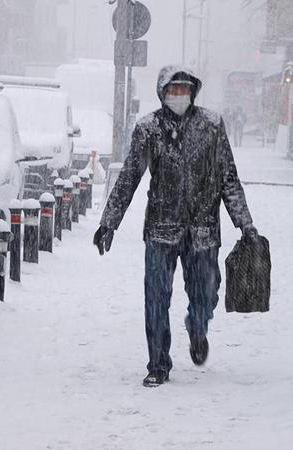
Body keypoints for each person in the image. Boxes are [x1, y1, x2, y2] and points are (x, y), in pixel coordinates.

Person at [93, 66, 257, 387]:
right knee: (156, 299)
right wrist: (108, 223)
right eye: (173, 90)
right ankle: (158, 364)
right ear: (163, 93)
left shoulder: (211, 126)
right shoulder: (149, 129)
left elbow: (229, 179)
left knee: (206, 294)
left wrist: (245, 225)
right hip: (161, 229)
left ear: (193, 92)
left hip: (203, 231)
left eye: (184, 90)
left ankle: (198, 327)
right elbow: (129, 178)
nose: (179, 96)